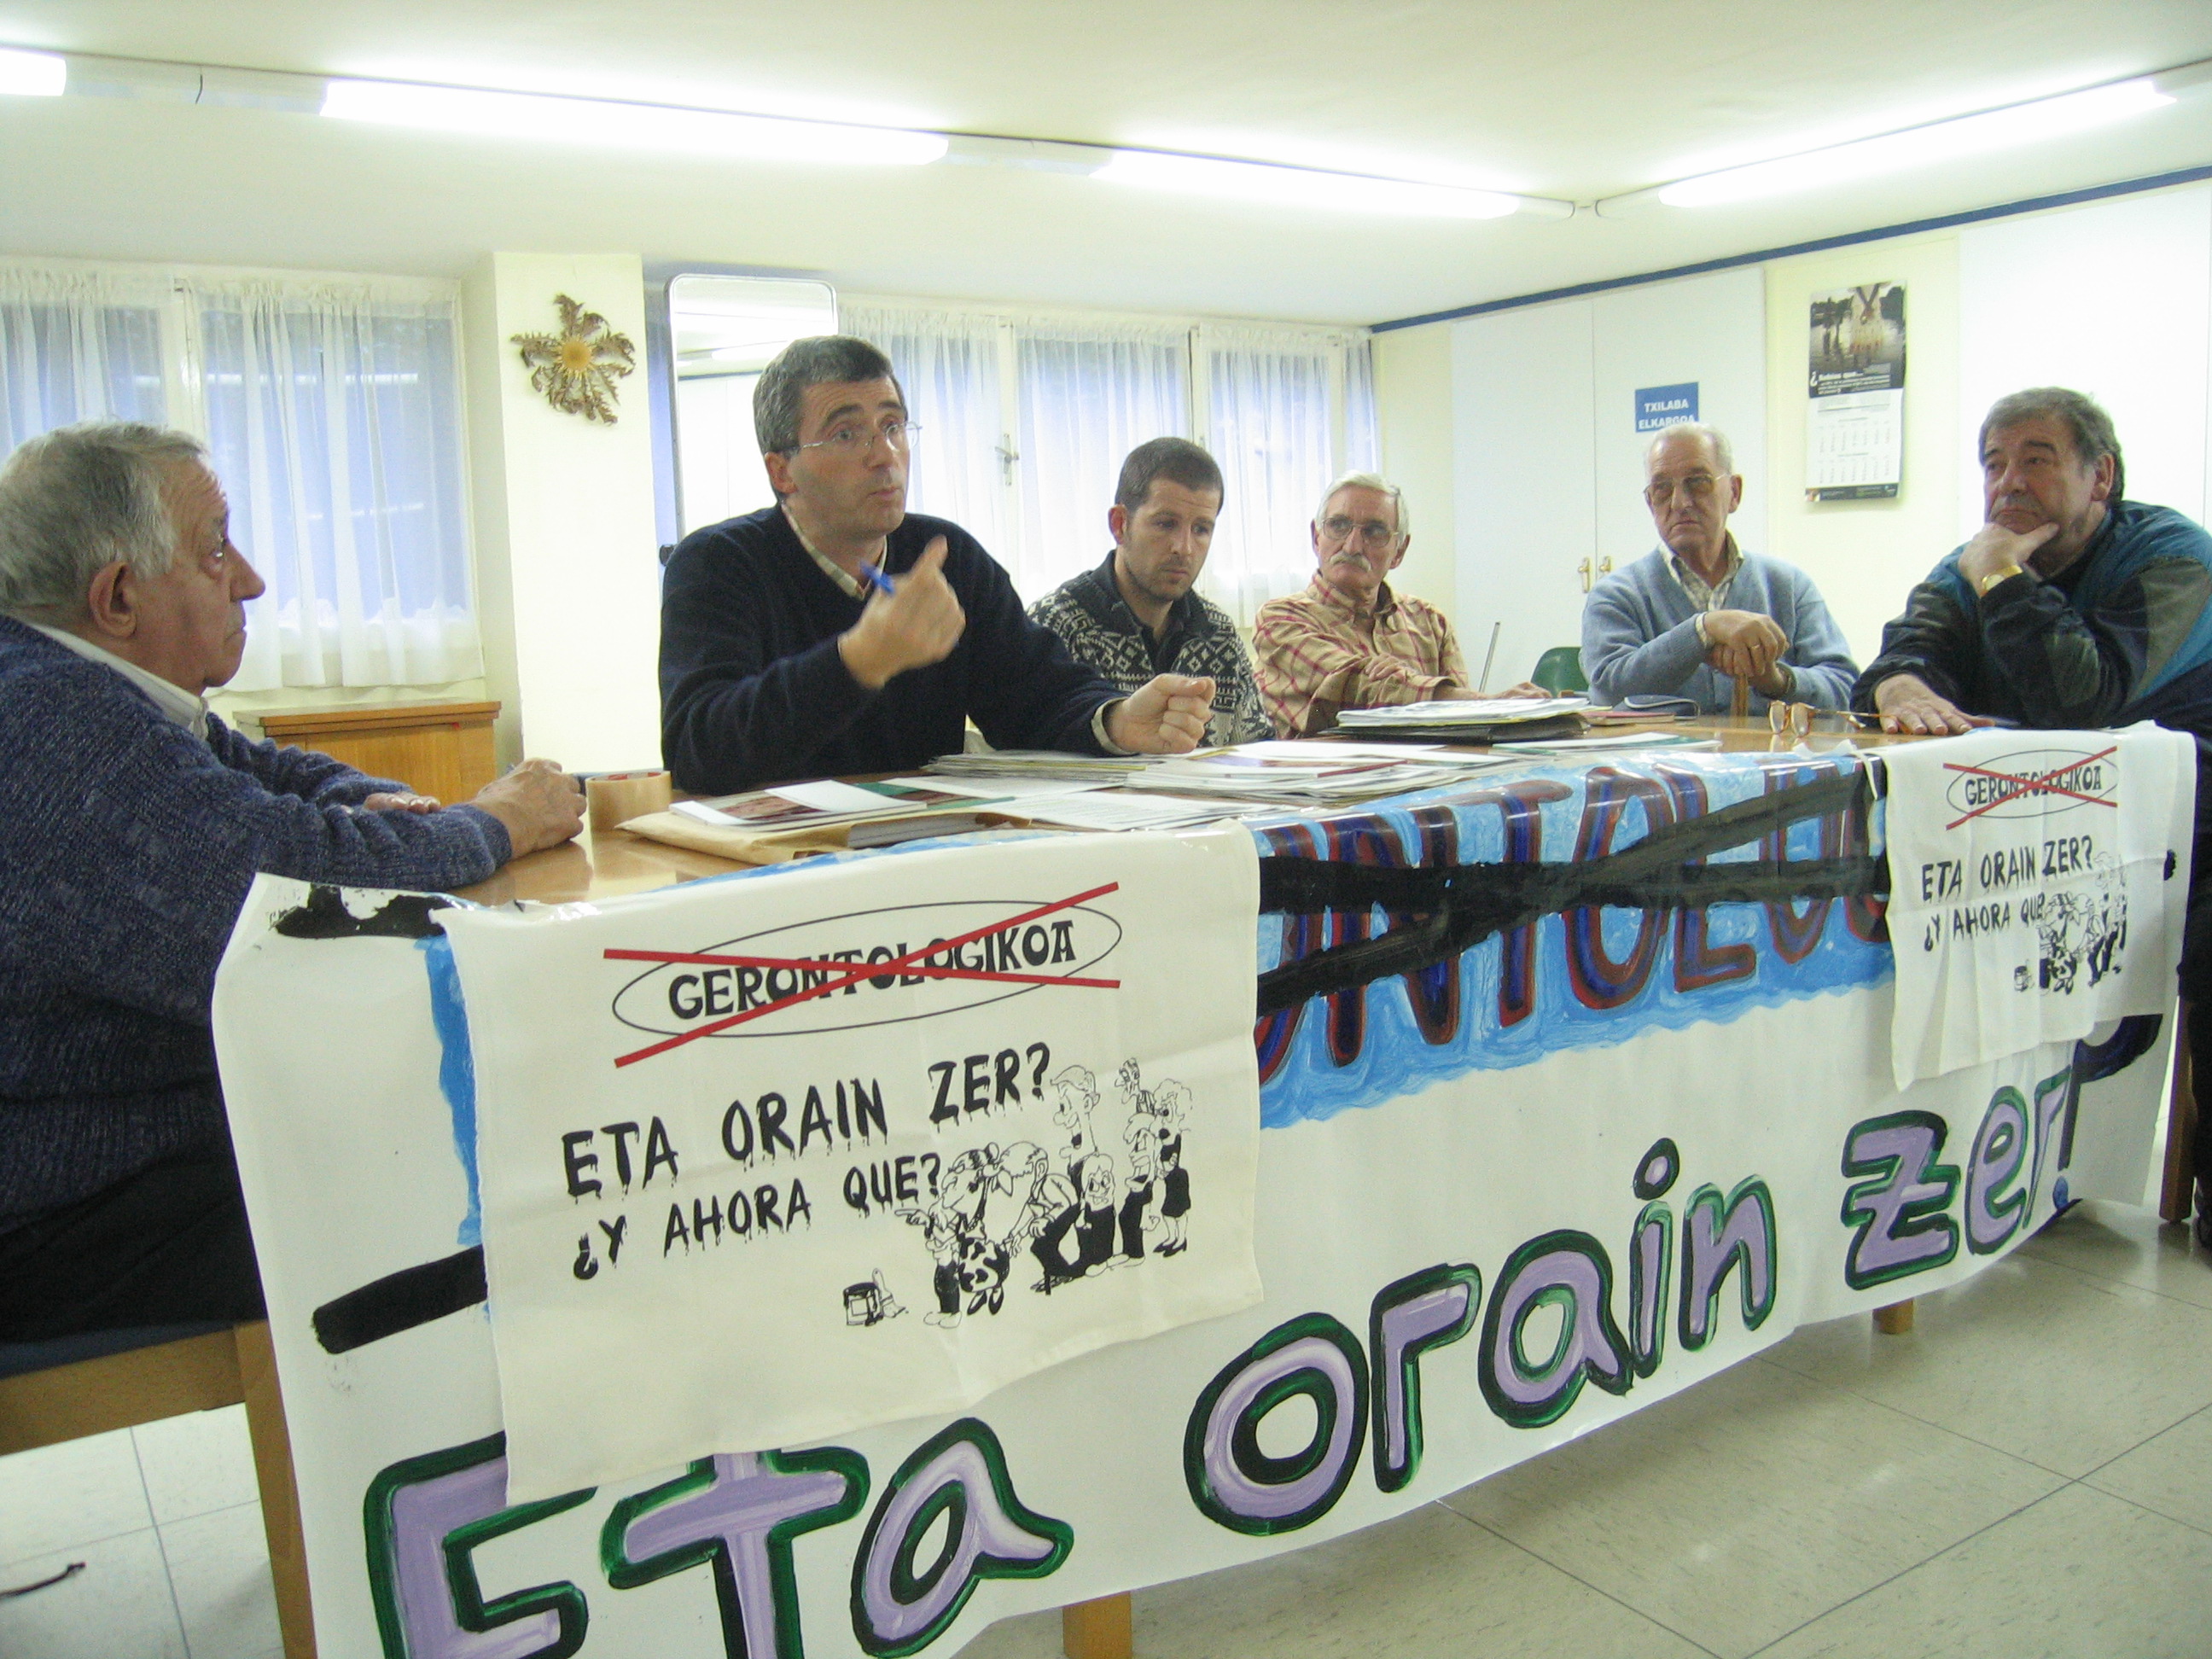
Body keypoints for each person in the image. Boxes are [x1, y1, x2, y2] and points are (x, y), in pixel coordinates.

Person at [0, 422, 583, 1338]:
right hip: (59, 1208)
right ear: (117, 598)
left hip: (114, 1149)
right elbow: (300, 893)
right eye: (215, 550)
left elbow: (266, 772)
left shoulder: (78, 683)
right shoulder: (47, 723)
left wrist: (379, 805)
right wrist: (495, 823)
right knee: (488, 1181)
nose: (250, 581)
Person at [1851, 387, 2212, 1240]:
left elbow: (2085, 698)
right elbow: (1905, 655)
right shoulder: (1974, 564)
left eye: (2036, 460)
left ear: (2101, 477)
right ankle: (1993, 1164)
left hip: (2189, 822)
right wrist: (1900, 683)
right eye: (1993, 463)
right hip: (2043, 827)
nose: (2007, 482)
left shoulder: (2175, 559)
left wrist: (2004, 578)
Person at [659, 336, 1213, 794]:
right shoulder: (718, 564)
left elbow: (1034, 697)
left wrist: (1118, 720)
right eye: (847, 434)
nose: (885, 455)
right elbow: (697, 752)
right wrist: (857, 661)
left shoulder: (948, 558)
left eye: (893, 427)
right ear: (782, 471)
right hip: (777, 866)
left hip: (925, 855)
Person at [1582, 422, 1858, 713]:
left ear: (1734, 492)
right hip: (1663, 746)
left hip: (1766, 745)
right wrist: (1702, 629)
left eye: (1698, 482)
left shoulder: (1788, 585)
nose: (1680, 503)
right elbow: (1607, 692)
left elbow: (1845, 688)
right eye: (1662, 488)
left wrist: (1776, 680)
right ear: (1650, 502)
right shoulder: (1617, 594)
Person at [1027, 437, 1268, 747]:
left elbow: (1258, 750)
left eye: (1201, 529)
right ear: (1120, 524)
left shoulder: (1218, 632)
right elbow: (1027, 757)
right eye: (1166, 524)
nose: (1184, 548)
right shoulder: (1055, 626)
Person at [1253, 472, 1484, 738]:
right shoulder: (1281, 619)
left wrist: (1496, 709)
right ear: (1316, 537)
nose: (1352, 546)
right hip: (1330, 765)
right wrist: (1475, 701)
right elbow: (1352, 686)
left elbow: (1462, 722)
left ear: (1399, 551)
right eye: (1339, 525)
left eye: (1374, 532)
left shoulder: (1430, 622)